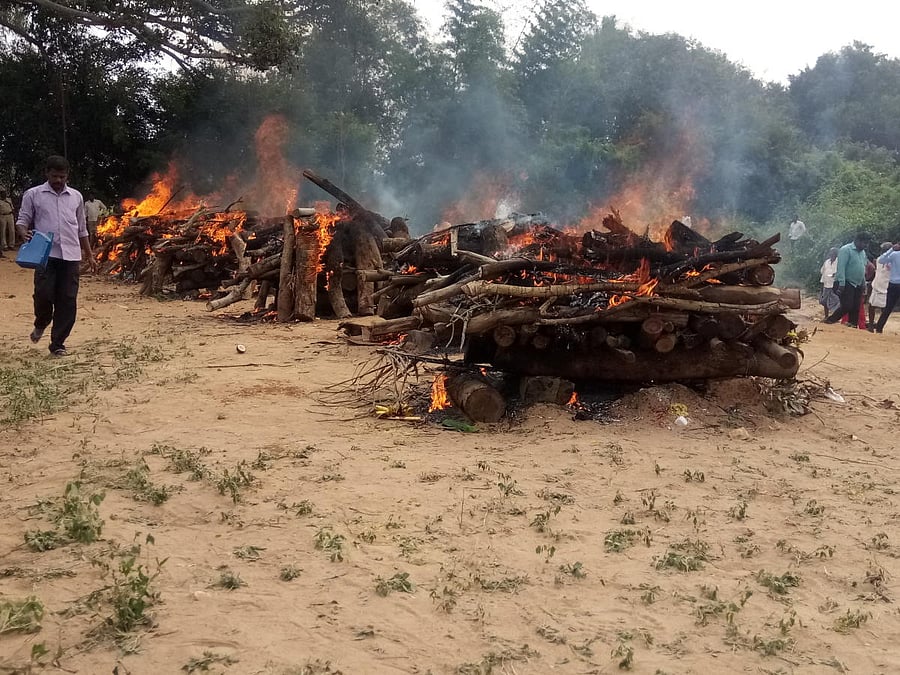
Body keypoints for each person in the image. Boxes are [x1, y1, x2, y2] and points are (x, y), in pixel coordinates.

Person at [15, 155, 97, 357]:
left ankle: (58, 343)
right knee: (43, 294)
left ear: (67, 175)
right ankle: (41, 322)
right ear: (47, 173)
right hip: (45, 255)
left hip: (70, 256)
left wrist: (89, 254)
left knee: (68, 300)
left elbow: (82, 229)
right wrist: (22, 231)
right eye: (54, 176)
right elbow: (22, 220)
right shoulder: (34, 194)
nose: (58, 180)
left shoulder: (76, 197)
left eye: (62, 176)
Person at [823, 232, 871, 328]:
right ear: (857, 241)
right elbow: (841, 268)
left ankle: (852, 325)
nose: (866, 245)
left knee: (856, 307)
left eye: (867, 243)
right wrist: (841, 283)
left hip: (857, 283)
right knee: (847, 305)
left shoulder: (862, 252)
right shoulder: (846, 250)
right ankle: (830, 320)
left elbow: (862, 268)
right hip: (845, 281)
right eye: (864, 243)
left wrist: (863, 284)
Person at [873, 241, 900, 334]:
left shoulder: (894, 254)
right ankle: (879, 327)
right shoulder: (895, 255)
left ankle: (879, 328)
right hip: (893, 284)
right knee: (887, 308)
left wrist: (892, 249)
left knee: (888, 308)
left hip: (893, 284)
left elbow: (881, 260)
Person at [867, 242, 892, 332]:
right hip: (878, 285)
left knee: (883, 309)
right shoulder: (879, 260)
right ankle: (871, 326)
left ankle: (878, 327)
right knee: (872, 306)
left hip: (885, 287)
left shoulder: (892, 261)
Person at [818, 247, 840, 319]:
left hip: (835, 285)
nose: (832, 254)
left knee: (836, 302)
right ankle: (826, 316)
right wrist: (822, 284)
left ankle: (835, 317)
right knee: (824, 301)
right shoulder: (827, 262)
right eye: (831, 253)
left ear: (836, 254)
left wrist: (836, 274)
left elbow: (841, 272)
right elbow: (823, 273)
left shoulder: (839, 262)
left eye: (833, 253)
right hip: (826, 284)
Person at [0, 188, 14, 255]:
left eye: (5, 193)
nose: (4, 194)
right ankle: (4, 245)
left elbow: (12, 207)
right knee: (3, 231)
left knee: (12, 230)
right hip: (2, 216)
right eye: (3, 193)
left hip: (10, 215)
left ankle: (11, 245)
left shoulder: (9, 200)